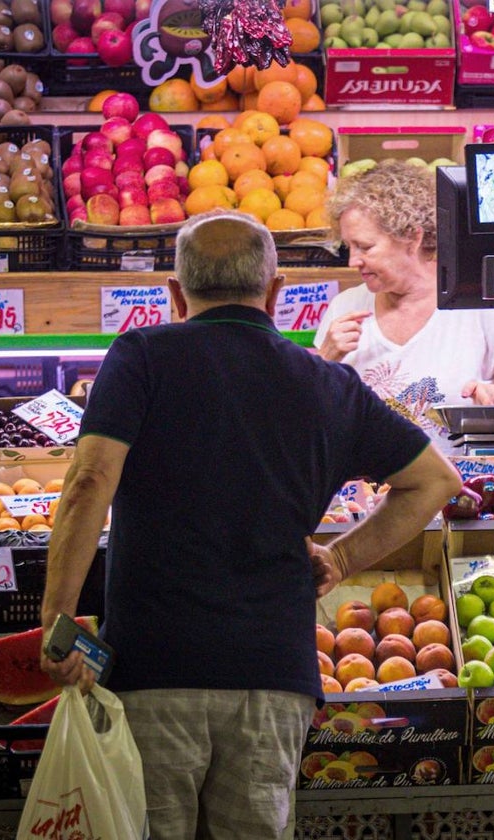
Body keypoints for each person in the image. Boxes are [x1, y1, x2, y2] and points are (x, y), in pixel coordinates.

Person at [39, 209, 462, 839]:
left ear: (175, 295)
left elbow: (88, 483)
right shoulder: (328, 383)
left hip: (155, 668)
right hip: (274, 676)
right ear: (276, 293)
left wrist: (58, 618)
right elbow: (435, 482)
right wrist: (342, 559)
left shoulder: (142, 355)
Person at [314, 160, 494, 435]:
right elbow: (311, 415)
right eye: (348, 247)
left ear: (412, 237)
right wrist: (325, 359)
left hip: (462, 477)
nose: (353, 261)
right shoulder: (345, 307)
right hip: (364, 478)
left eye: (365, 247)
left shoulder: (481, 307)